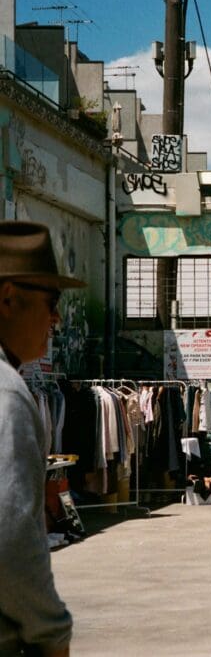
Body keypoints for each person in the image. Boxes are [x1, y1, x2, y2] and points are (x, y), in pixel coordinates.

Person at [0, 221, 76, 656]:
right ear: (9, 298)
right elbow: (9, 536)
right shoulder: (7, 395)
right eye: (52, 301)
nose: (56, 319)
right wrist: (52, 631)